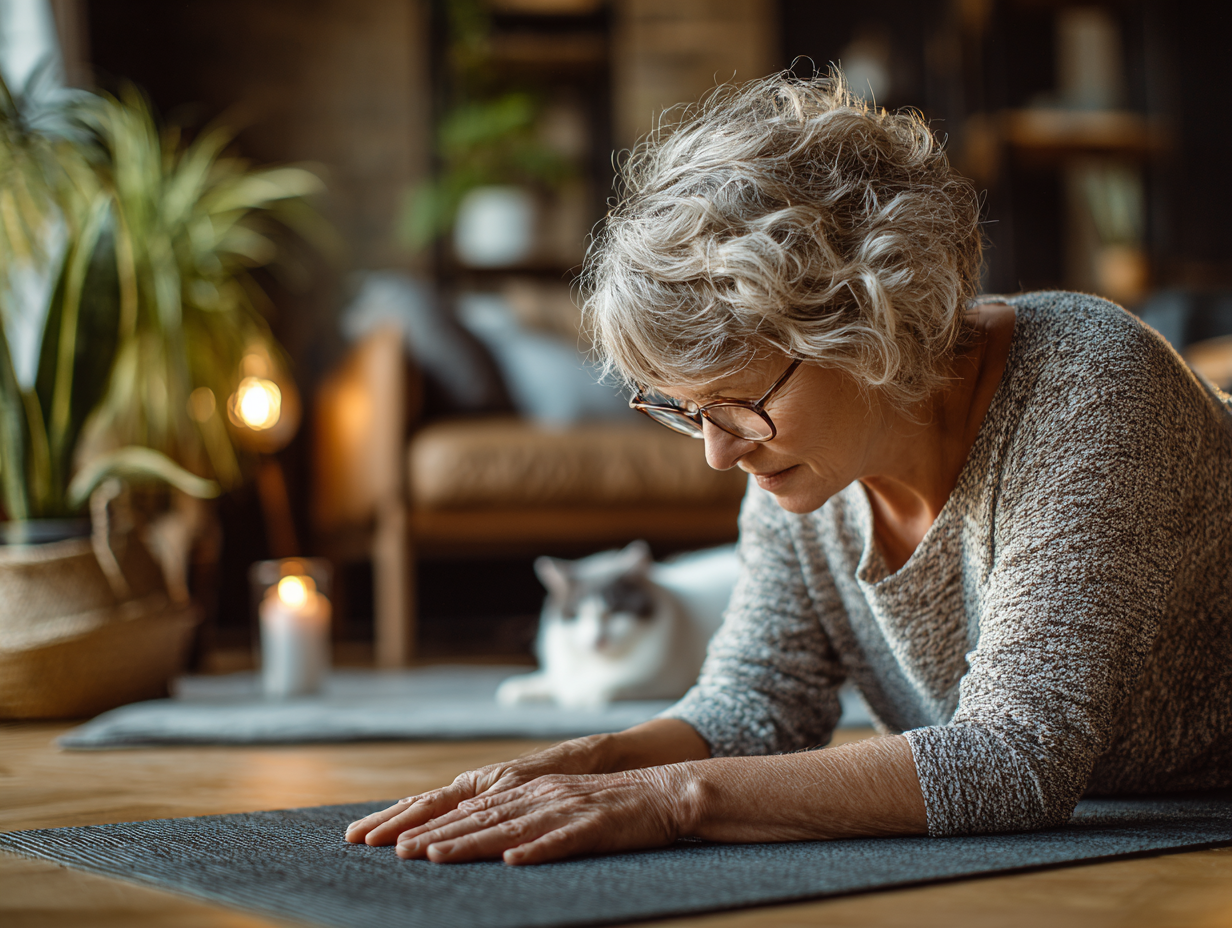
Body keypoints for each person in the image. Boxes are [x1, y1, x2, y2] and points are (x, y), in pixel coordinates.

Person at [345, 72, 1232, 865]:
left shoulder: (1088, 388)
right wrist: (579, 766)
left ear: (872, 320)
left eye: (737, 403)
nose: (717, 451)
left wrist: (671, 798)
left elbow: (1013, 760)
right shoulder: (804, 459)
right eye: (689, 410)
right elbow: (754, 704)